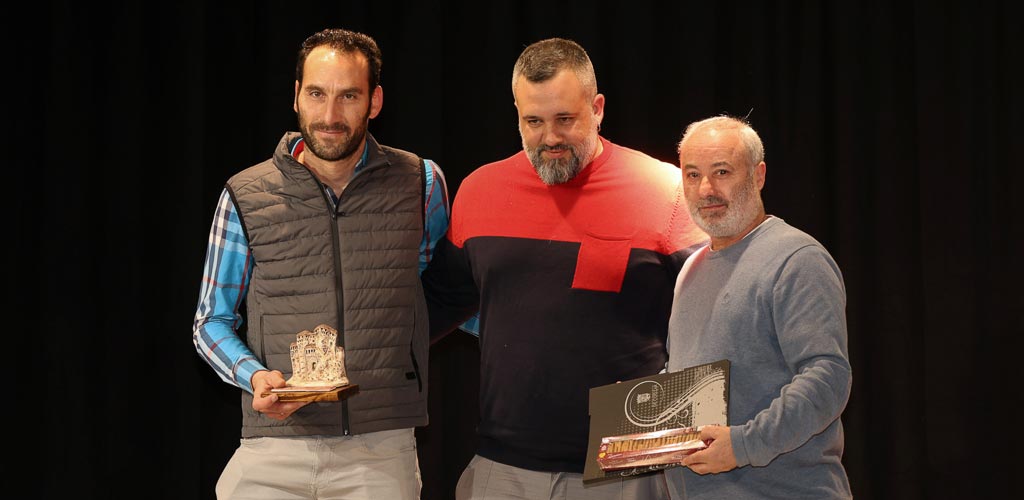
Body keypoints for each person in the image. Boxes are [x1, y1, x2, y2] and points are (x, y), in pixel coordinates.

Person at [421, 38, 708, 499]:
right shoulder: (479, 190)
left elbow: (715, 323)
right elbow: (435, 306)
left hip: (625, 470)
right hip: (503, 467)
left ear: (597, 109)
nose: (550, 137)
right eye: (533, 121)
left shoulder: (666, 192)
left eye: (565, 119)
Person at [192, 28, 450, 500]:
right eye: (316, 94)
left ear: (374, 101)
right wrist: (254, 376)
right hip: (274, 448)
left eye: (348, 96)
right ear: (296, 96)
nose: (330, 115)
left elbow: (436, 287)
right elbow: (211, 321)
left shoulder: (421, 183)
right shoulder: (244, 194)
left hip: (380, 451)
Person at [664, 115, 852, 499]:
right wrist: (641, 412)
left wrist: (743, 446)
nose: (706, 189)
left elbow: (828, 378)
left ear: (759, 175)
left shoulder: (797, 259)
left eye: (722, 172)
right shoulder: (690, 270)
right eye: (693, 175)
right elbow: (687, 381)